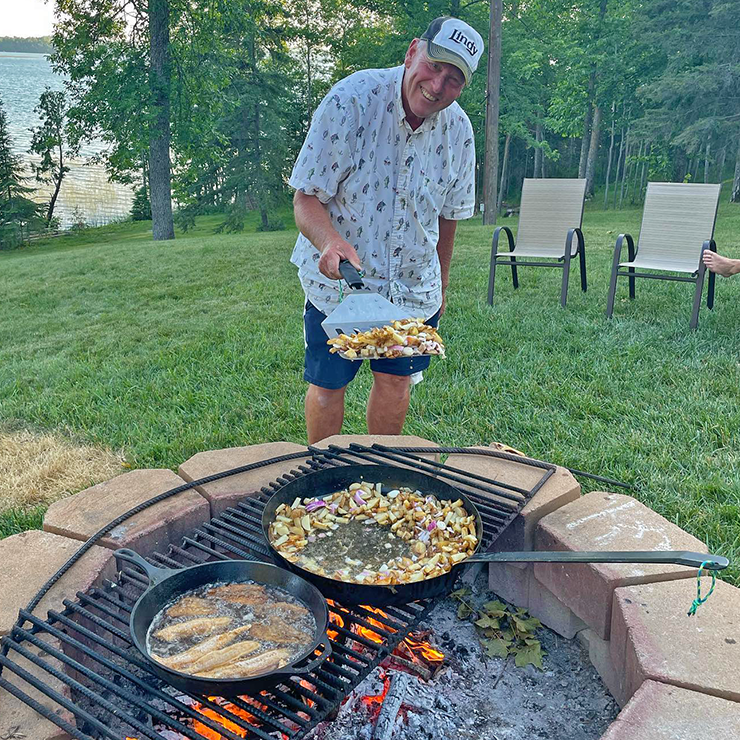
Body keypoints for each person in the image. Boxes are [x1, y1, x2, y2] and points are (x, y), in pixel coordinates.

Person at [289, 16, 484, 444]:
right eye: (434, 66)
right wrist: (329, 241)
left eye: (454, 80)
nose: (437, 85)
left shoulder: (461, 133)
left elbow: (449, 214)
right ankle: (327, 471)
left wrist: (443, 283)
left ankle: (382, 472)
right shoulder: (350, 102)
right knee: (329, 384)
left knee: (396, 383)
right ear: (413, 51)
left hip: (414, 288)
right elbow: (306, 198)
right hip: (341, 287)